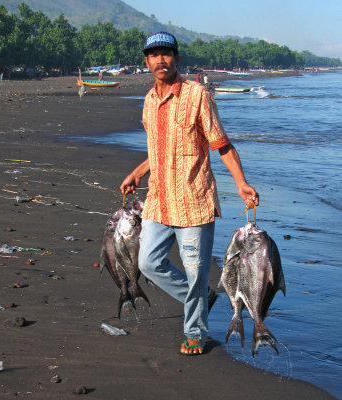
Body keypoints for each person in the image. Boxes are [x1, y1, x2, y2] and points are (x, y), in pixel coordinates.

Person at [120, 32, 259, 355]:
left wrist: (241, 183)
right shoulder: (149, 101)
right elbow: (159, 150)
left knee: (196, 270)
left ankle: (194, 331)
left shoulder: (198, 96)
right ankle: (199, 297)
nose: (160, 60)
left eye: (166, 54)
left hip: (194, 201)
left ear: (176, 58)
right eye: (153, 55)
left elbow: (221, 144)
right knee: (148, 263)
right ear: (146, 62)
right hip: (158, 200)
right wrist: (136, 174)